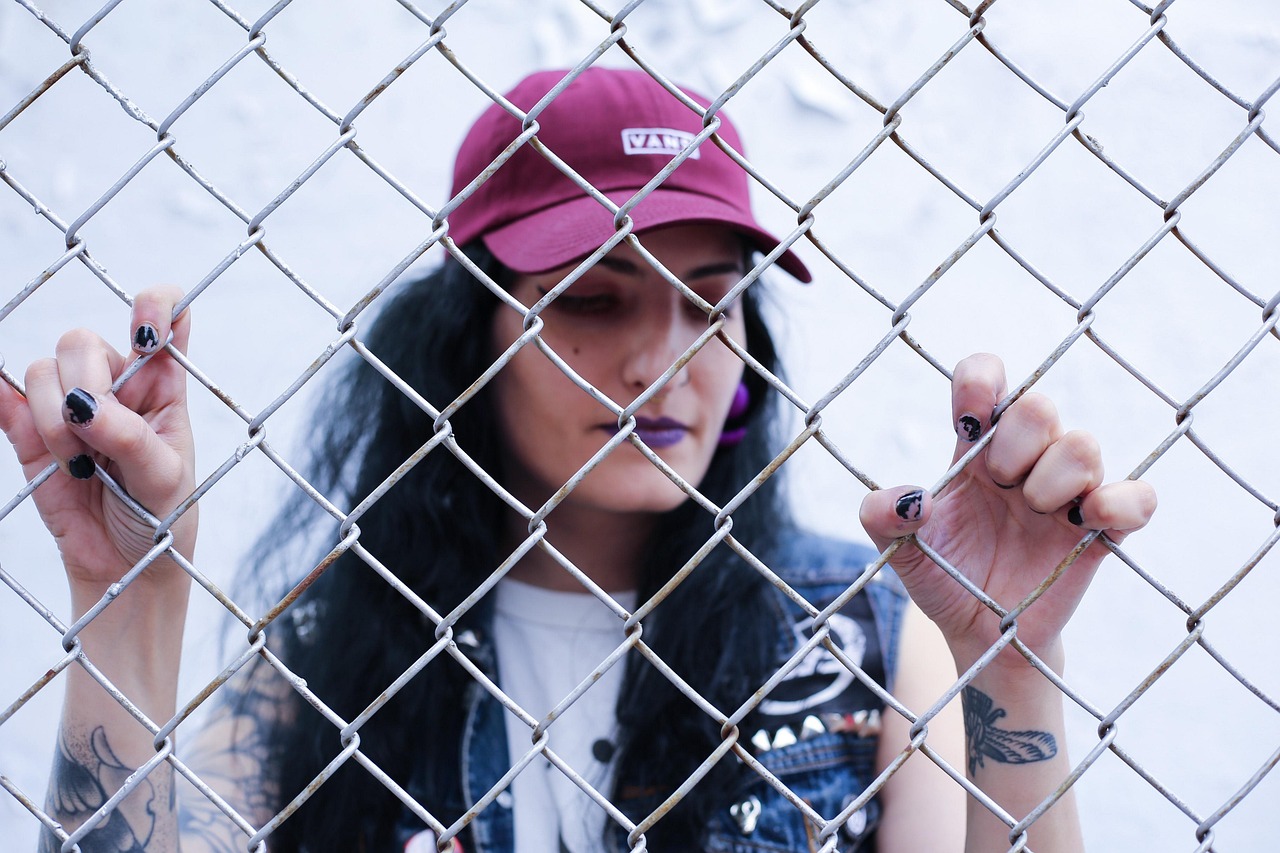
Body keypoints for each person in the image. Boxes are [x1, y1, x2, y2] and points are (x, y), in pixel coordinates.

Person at [1, 67, 1156, 853]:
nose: (663, 358)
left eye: (711, 306)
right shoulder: (330, 651)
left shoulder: (857, 636)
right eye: (594, 300)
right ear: (468, 344)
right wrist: (129, 592)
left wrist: (1010, 661)